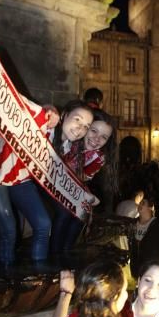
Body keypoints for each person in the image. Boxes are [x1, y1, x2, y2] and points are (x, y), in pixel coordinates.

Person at [0, 99, 93, 265]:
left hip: (20, 178)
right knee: (9, 230)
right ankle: (5, 280)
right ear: (64, 115)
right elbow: (31, 111)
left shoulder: (66, 147)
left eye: (87, 126)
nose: (81, 128)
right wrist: (49, 109)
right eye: (77, 119)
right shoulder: (47, 125)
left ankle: (39, 276)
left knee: (43, 224)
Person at [50, 108, 117, 254]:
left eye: (104, 137)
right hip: (49, 184)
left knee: (80, 217)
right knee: (65, 213)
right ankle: (53, 257)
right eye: (93, 131)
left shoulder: (98, 158)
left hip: (70, 190)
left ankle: (65, 256)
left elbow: (81, 180)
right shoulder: (70, 139)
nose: (97, 139)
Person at [129, 195, 159, 278]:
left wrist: (157, 265)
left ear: (150, 207)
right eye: (139, 203)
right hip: (136, 269)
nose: (139, 205)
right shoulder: (132, 224)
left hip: (152, 269)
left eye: (143, 203)